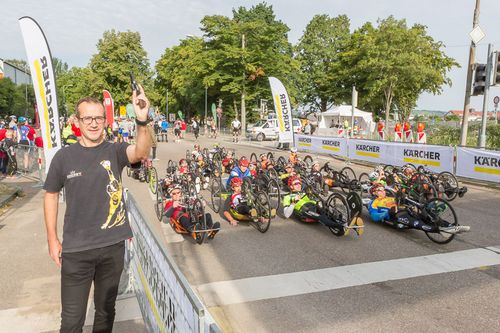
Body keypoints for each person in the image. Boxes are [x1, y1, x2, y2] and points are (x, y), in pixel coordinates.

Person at [43, 86, 152, 332]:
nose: (93, 123)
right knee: (71, 322)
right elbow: (50, 195)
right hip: (76, 251)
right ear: (77, 121)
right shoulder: (63, 157)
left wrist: (142, 120)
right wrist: (52, 238)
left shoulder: (114, 150)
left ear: (105, 120)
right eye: (87, 118)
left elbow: (141, 151)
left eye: (99, 118)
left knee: (105, 313)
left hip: (112, 247)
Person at [367, 183, 469, 234]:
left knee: (427, 215)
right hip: (397, 215)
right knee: (419, 224)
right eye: (379, 190)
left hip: (407, 209)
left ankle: (451, 225)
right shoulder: (374, 202)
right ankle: (439, 230)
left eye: (383, 189)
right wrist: (388, 212)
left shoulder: (390, 197)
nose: (383, 191)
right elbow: (374, 216)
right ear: (374, 192)